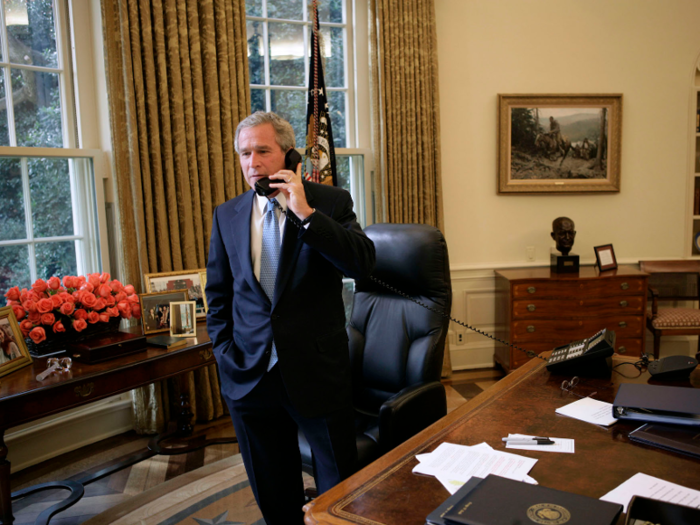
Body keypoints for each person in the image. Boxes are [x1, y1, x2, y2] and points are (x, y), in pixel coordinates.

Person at [205, 111, 376, 524]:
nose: (252, 162)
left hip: (316, 371)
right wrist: (226, 354)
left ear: (290, 154)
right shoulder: (227, 215)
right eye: (245, 153)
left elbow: (362, 264)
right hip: (249, 375)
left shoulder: (329, 202)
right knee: (271, 488)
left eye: (263, 150)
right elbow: (219, 296)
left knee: (339, 490)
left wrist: (306, 213)